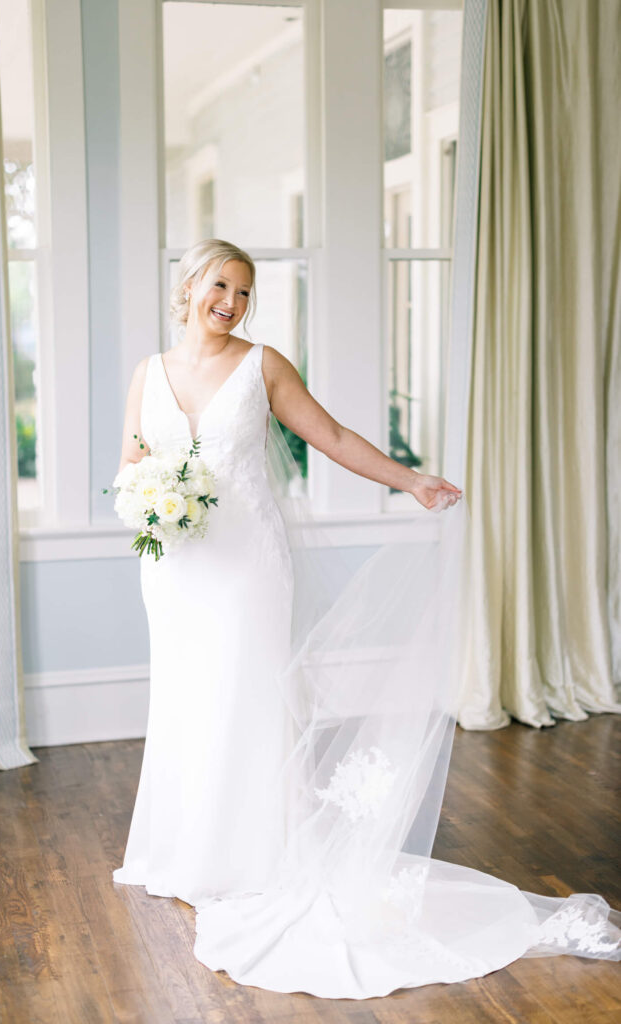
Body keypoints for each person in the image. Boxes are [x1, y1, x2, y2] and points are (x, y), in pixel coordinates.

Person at [113, 238, 620, 999]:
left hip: (248, 564)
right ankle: (183, 850)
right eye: (221, 285)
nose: (232, 302)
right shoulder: (147, 372)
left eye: (246, 292)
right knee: (186, 700)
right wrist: (143, 498)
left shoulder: (264, 366)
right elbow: (131, 461)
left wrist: (410, 480)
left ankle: (252, 855)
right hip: (174, 566)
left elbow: (335, 438)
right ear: (188, 287)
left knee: (245, 699)